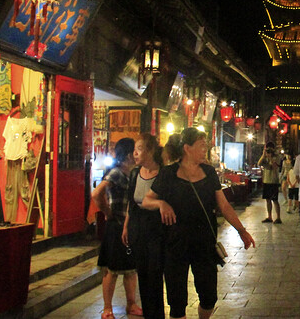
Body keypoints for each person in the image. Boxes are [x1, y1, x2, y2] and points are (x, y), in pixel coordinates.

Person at [142, 127, 255, 319]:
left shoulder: (209, 173)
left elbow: (224, 206)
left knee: (208, 295)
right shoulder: (168, 174)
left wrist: (242, 231)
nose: (206, 150)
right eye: (202, 146)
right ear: (187, 148)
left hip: (204, 242)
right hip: (175, 242)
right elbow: (146, 201)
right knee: (177, 300)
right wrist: (161, 203)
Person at [91, 138, 142, 319]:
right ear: (128, 155)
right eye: (135, 151)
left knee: (130, 268)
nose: (137, 154)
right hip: (117, 225)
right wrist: (107, 212)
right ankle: (107, 309)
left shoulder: (134, 173)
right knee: (111, 270)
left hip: (130, 225)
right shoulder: (116, 173)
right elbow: (97, 193)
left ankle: (131, 304)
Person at [121, 134, 165, 319]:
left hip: (156, 229)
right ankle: (148, 314)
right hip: (137, 229)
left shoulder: (164, 173)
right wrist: (126, 227)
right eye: (134, 149)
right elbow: (131, 203)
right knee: (143, 275)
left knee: (155, 275)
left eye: (139, 148)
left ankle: (157, 315)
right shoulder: (134, 173)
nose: (135, 153)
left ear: (150, 151)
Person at [258, 142, 281, 224]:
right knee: (267, 200)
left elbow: (275, 167)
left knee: (275, 200)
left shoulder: (277, 156)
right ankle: (269, 216)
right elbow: (259, 163)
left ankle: (278, 217)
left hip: (274, 181)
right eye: (267, 149)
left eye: (270, 149)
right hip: (266, 180)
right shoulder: (265, 157)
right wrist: (264, 155)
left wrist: (271, 158)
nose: (269, 150)